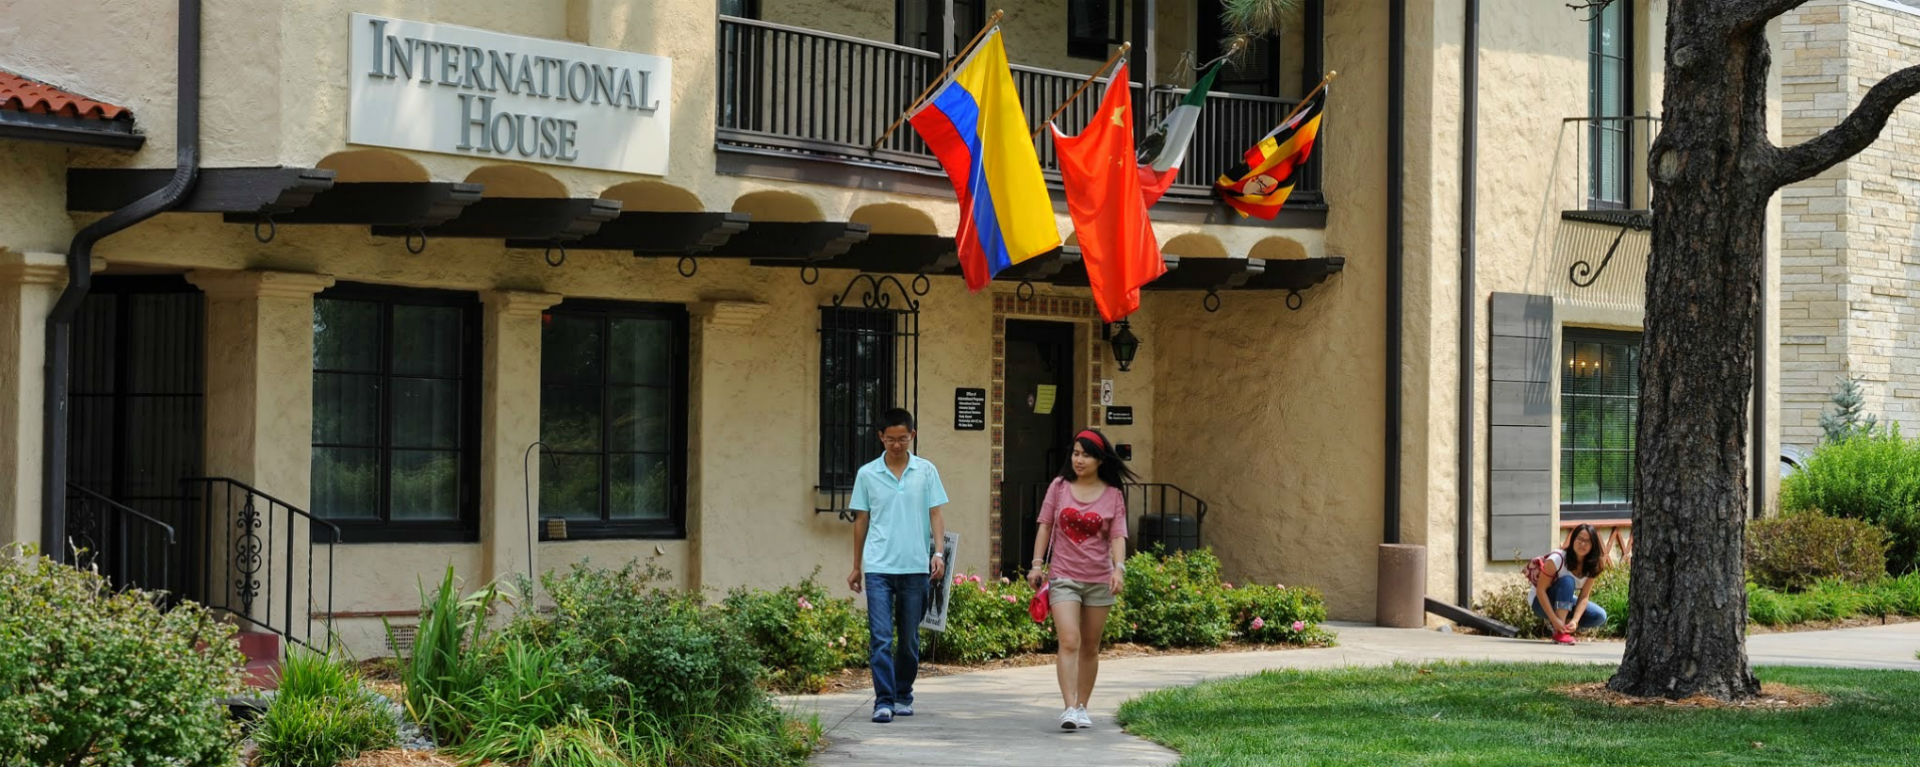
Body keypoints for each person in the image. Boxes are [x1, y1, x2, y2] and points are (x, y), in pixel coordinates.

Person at [1028, 428, 1134, 730]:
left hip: (1099, 579)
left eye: (1086, 454)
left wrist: (1118, 569)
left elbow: (1118, 536)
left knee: (1090, 645)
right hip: (1064, 576)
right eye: (1075, 453)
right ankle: (1070, 707)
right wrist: (1037, 565)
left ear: (1100, 459)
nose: (1079, 459)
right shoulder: (1059, 487)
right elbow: (1045, 525)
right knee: (1069, 640)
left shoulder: (1113, 495)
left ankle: (1084, 706)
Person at [847, 408, 948, 724]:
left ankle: (903, 693)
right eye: (890, 439)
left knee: (908, 639)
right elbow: (861, 520)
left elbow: (935, 514)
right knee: (880, 637)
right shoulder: (867, 474)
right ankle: (884, 700)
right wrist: (856, 566)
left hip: (915, 567)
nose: (896, 445)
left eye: (902, 438)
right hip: (878, 567)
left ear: (912, 436)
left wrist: (939, 553)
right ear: (880, 437)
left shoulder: (926, 471)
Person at [1530, 523, 1610, 645]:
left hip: (1564, 600)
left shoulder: (1593, 566)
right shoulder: (1557, 559)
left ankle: (1565, 625)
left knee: (1600, 616)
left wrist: (1575, 620)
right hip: (1540, 602)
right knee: (1568, 581)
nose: (1582, 544)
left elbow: (1584, 596)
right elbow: (1541, 590)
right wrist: (1554, 619)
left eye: (1587, 541)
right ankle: (1560, 632)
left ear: (1593, 545)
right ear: (1573, 540)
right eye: (1579, 539)